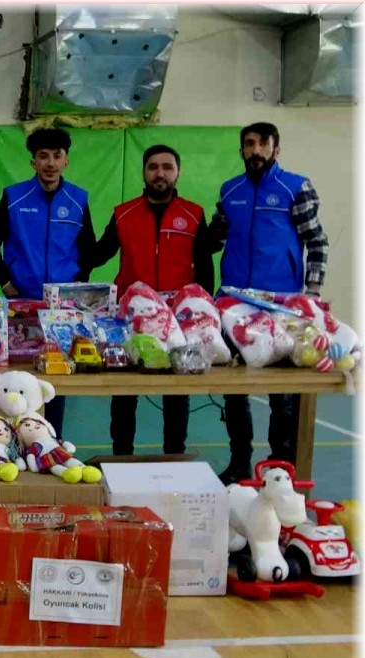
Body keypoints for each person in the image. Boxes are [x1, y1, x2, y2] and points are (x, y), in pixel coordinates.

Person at [209, 122, 329, 485]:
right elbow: (215, 238)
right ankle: (239, 463)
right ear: (242, 150)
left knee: (283, 393)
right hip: (234, 305)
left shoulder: (296, 187)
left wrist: (312, 293)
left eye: (263, 143)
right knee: (234, 390)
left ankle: (280, 467)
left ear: (276, 149)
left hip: (282, 305)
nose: (256, 150)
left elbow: (317, 241)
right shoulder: (230, 190)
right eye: (249, 144)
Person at [87, 144, 215, 457]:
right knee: (125, 392)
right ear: (144, 172)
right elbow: (97, 254)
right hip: (131, 319)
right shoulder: (123, 213)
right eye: (153, 167)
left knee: (177, 393)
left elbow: (205, 268)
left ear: (178, 172)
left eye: (167, 167)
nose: (160, 173)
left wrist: (206, 315)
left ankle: (174, 455)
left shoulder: (194, 214)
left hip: (177, 322)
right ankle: (121, 456)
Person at [0, 127, 96, 438]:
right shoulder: (14, 197)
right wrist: (5, 282)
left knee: (56, 379)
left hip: (61, 311)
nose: (50, 163)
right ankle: (10, 439)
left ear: (66, 161)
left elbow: (88, 250)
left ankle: (51, 440)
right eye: (43, 156)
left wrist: (76, 290)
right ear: (33, 162)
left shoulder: (78, 199)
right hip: (21, 305)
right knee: (18, 379)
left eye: (56, 156)